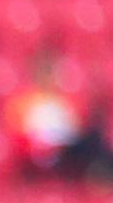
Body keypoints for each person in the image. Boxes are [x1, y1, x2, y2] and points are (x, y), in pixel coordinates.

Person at [6, 48, 106, 181]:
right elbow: (20, 135)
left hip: (65, 151)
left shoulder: (65, 102)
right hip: (39, 152)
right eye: (46, 72)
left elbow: (74, 130)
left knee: (93, 138)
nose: (51, 78)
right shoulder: (23, 103)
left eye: (53, 73)